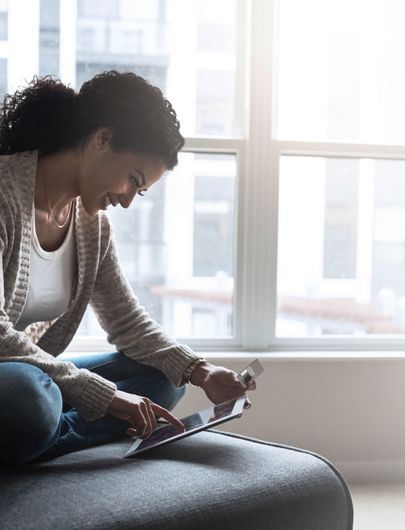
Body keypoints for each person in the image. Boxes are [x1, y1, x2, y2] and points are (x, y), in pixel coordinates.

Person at [0, 71, 253, 465]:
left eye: (141, 190)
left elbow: (127, 322)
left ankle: (36, 439)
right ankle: (41, 431)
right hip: (16, 382)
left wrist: (199, 370)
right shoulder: (3, 195)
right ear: (103, 138)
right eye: (132, 180)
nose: (127, 201)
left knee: (163, 380)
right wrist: (104, 396)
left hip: (37, 376)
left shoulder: (91, 227)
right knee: (29, 398)